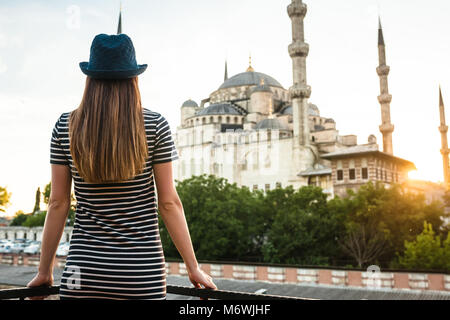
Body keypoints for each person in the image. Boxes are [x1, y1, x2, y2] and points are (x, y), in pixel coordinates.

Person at [27, 33, 217, 300]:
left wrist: (44, 271)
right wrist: (193, 267)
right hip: (141, 275)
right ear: (133, 78)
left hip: (83, 273)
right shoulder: (155, 125)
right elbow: (169, 203)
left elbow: (58, 203)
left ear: (90, 79)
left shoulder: (65, 126)